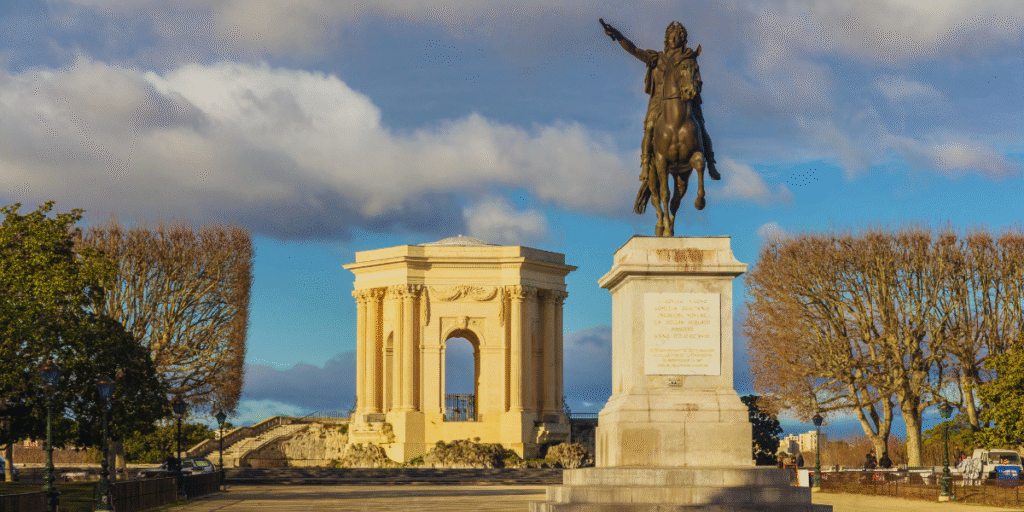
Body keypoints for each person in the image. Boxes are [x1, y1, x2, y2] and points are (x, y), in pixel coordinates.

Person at [601, 19, 721, 185]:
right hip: (659, 102)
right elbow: (634, 50)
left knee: (700, 127)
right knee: (650, 127)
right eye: (671, 36)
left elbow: (695, 79)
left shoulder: (688, 58)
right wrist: (618, 35)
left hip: (686, 101)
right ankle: (645, 164)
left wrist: (694, 90)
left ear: (683, 39)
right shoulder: (656, 59)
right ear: (666, 39)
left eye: (677, 36)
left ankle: (711, 165)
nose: (673, 39)